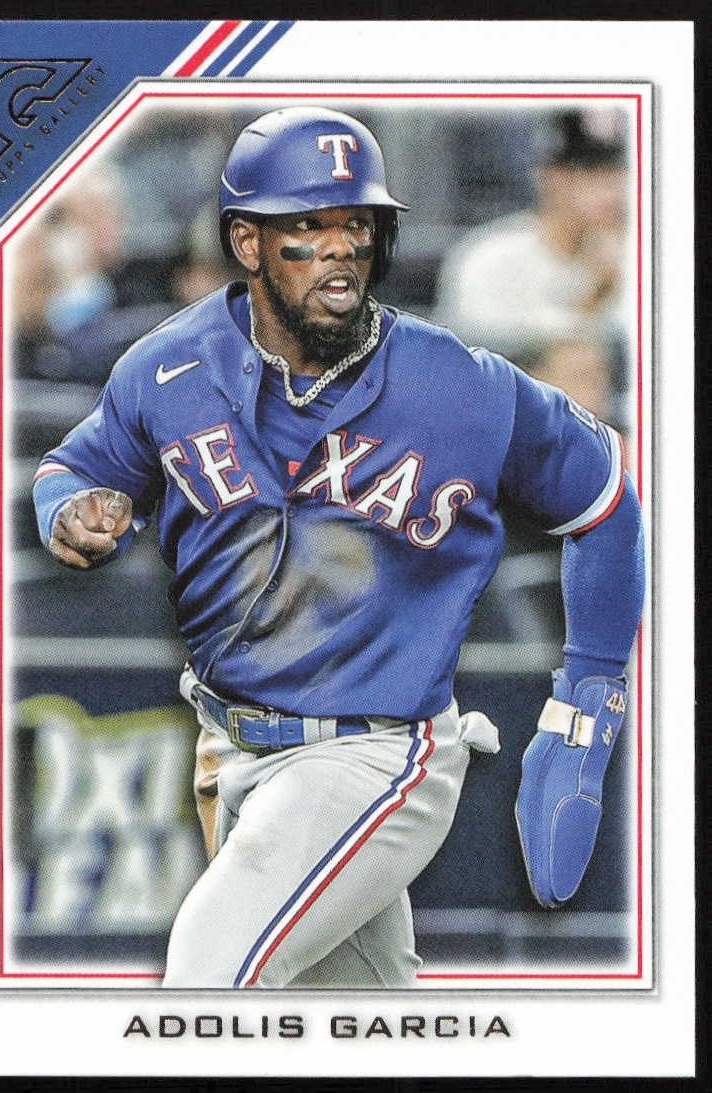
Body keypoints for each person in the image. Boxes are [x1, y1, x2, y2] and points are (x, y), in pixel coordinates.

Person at [32, 106, 644, 988]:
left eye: (358, 224)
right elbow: (78, 464)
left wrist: (584, 710)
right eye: (308, 226)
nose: (339, 249)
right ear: (246, 242)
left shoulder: (458, 384)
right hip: (233, 746)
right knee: (357, 1019)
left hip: (378, 751)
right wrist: (67, 508)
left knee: (209, 977)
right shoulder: (167, 365)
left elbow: (605, 495)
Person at [432, 107, 630, 421]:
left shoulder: (636, 257)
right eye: (590, 172)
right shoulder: (489, 257)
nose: (612, 190)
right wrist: (592, 299)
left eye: (618, 170)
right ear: (549, 178)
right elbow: (477, 368)